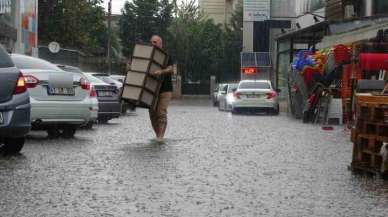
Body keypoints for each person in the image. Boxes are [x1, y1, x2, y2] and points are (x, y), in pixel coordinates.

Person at [149, 35, 174, 142]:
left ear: (160, 44)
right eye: (151, 42)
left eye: (155, 42)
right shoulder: (148, 55)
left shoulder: (166, 56)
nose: (152, 44)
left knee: (161, 112)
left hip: (165, 89)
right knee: (152, 112)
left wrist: (161, 72)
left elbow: (171, 69)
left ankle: (161, 137)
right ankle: (158, 135)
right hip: (152, 90)